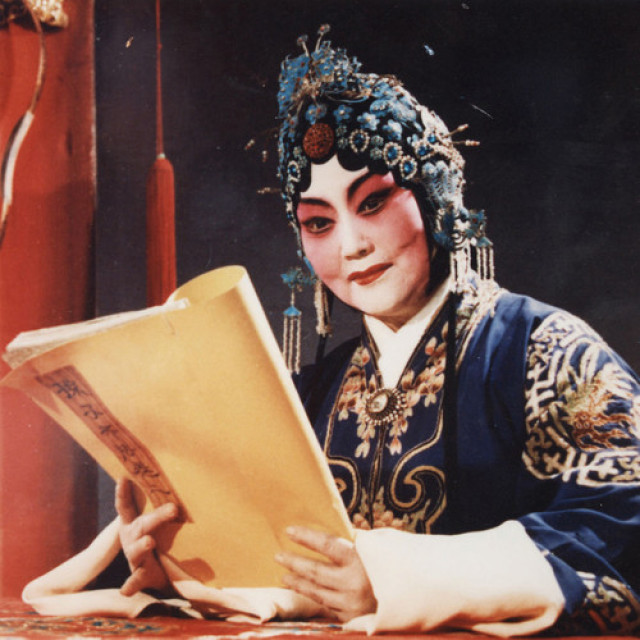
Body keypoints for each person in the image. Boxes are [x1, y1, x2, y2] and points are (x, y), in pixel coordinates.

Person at [61, 26, 640, 635]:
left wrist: (396, 581)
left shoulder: (548, 354)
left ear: (434, 199)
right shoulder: (311, 396)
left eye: (372, 203)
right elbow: (272, 571)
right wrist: (175, 568)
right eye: (318, 223)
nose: (352, 246)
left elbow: (619, 532)